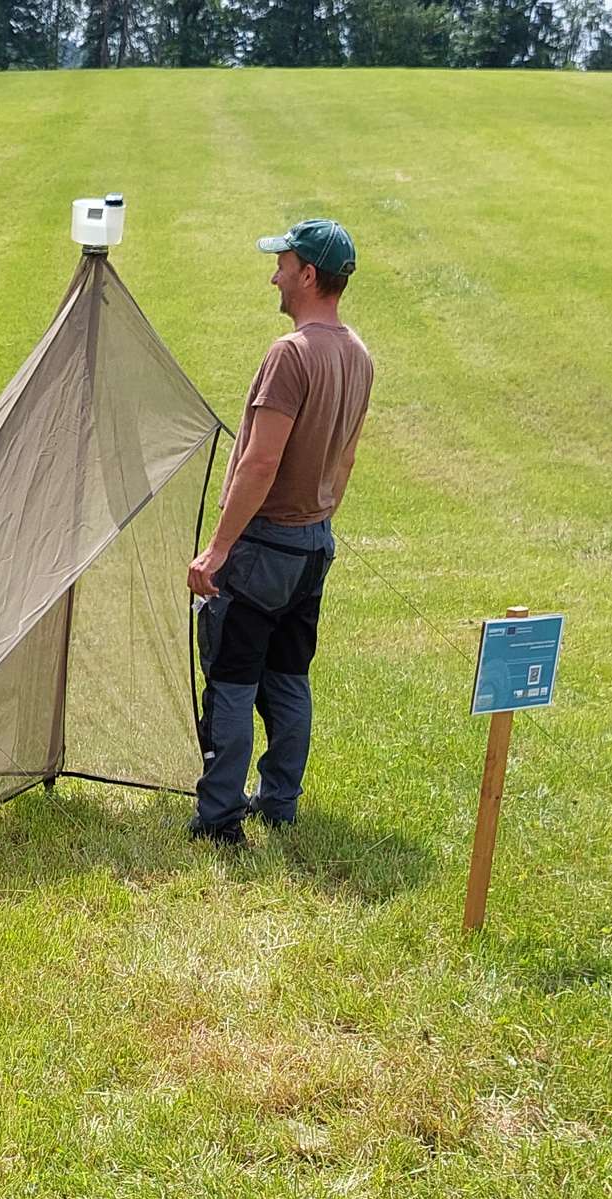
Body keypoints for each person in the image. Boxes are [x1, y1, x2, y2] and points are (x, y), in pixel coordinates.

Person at [186, 217, 375, 845]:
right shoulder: (358, 355)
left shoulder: (290, 355)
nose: (275, 274)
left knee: (235, 680)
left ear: (309, 275)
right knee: (290, 676)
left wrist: (217, 549)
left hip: (263, 548)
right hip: (314, 544)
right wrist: (318, 519)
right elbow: (344, 458)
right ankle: (280, 804)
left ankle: (219, 819)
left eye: (284, 264)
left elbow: (261, 461)